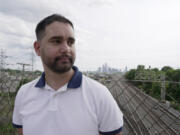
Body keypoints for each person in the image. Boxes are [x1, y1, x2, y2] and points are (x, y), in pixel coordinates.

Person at [12, 14, 123, 135]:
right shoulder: (24, 94)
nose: (66, 49)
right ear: (38, 48)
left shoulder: (100, 94)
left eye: (70, 42)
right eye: (56, 41)